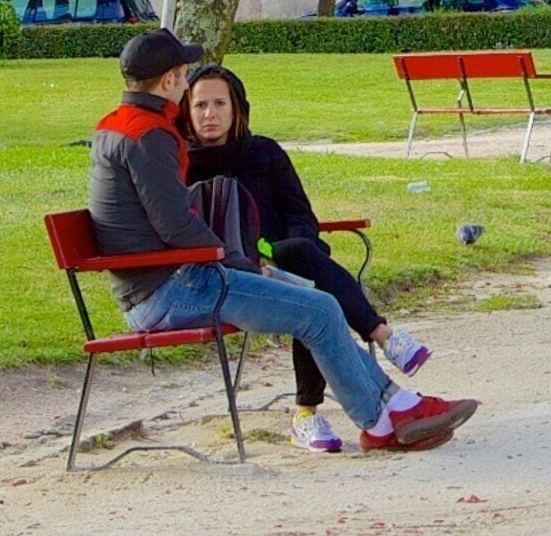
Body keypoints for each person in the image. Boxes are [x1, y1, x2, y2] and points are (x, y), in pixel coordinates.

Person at [89, 30, 474, 454]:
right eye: (182, 77)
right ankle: (382, 420)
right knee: (319, 310)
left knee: (316, 299)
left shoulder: (115, 126)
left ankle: (395, 408)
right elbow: (175, 225)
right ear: (168, 81)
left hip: (163, 284)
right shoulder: (150, 134)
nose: (185, 87)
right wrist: (239, 263)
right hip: (172, 290)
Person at [182, 63, 431, 454]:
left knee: (303, 269)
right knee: (310, 286)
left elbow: (300, 213)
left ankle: (306, 415)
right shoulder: (180, 164)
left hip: (287, 258)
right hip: (234, 274)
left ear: (237, 108)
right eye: (200, 105)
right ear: (186, 110)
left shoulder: (265, 152)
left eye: (219, 104)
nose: (209, 114)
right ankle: (384, 337)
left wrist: (297, 245)